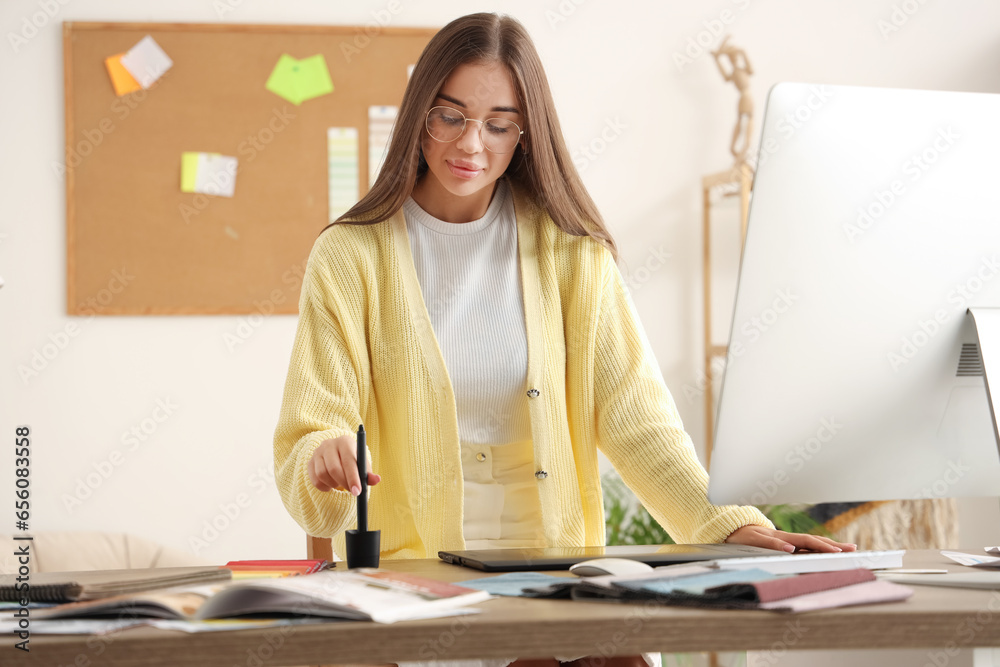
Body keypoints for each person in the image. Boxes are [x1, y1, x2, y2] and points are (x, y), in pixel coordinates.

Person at [274, 12, 855, 667]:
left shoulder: (573, 254)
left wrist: (731, 526)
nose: (472, 143)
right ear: (419, 114)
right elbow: (313, 430)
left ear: (526, 134)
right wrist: (324, 453)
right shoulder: (349, 255)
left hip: (557, 571)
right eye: (451, 115)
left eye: (499, 123)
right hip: (421, 580)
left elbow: (639, 422)